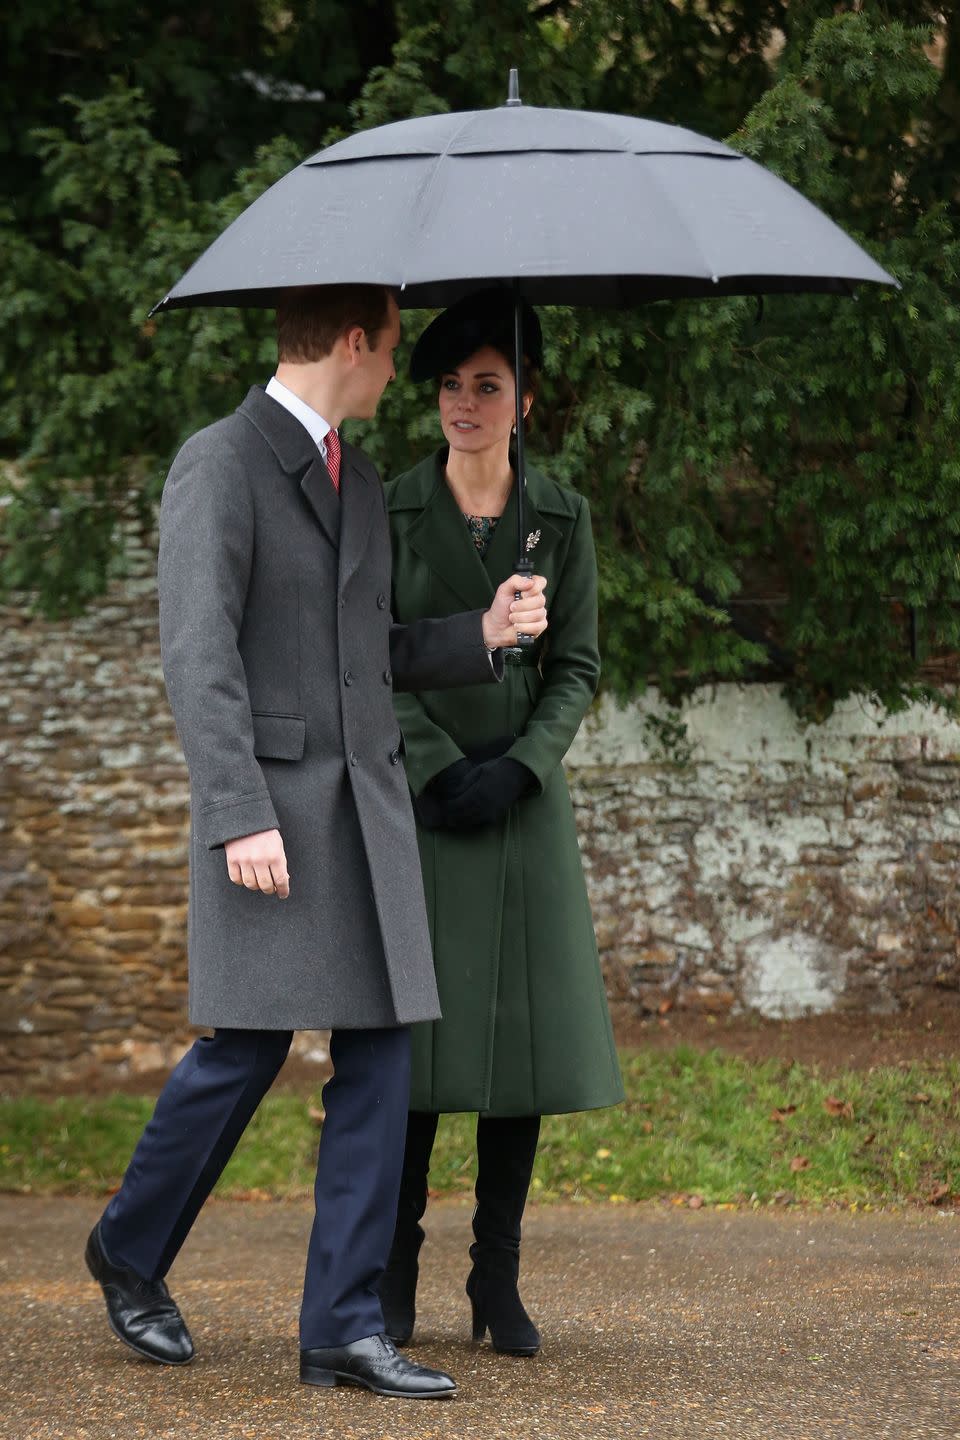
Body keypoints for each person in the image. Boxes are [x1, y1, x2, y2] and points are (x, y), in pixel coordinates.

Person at [84, 284, 549, 1402]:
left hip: (365, 812)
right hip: (274, 816)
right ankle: (129, 1248)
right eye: (393, 354)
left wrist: (478, 636)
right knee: (244, 1050)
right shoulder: (220, 462)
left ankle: (342, 1326)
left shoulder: (345, 477)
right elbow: (199, 655)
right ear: (352, 344)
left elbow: (365, 649)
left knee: (382, 1055)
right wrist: (237, 807)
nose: (402, 378)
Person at [379, 289, 624, 1358]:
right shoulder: (385, 511)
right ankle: (390, 1275)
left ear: (524, 398)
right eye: (449, 386)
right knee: (419, 1055)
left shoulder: (560, 517)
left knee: (515, 1053)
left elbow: (577, 666)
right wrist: (436, 768)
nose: (465, 405)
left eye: (487, 386)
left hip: (521, 808)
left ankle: (496, 1279)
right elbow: (367, 658)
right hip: (427, 806)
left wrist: (523, 767)